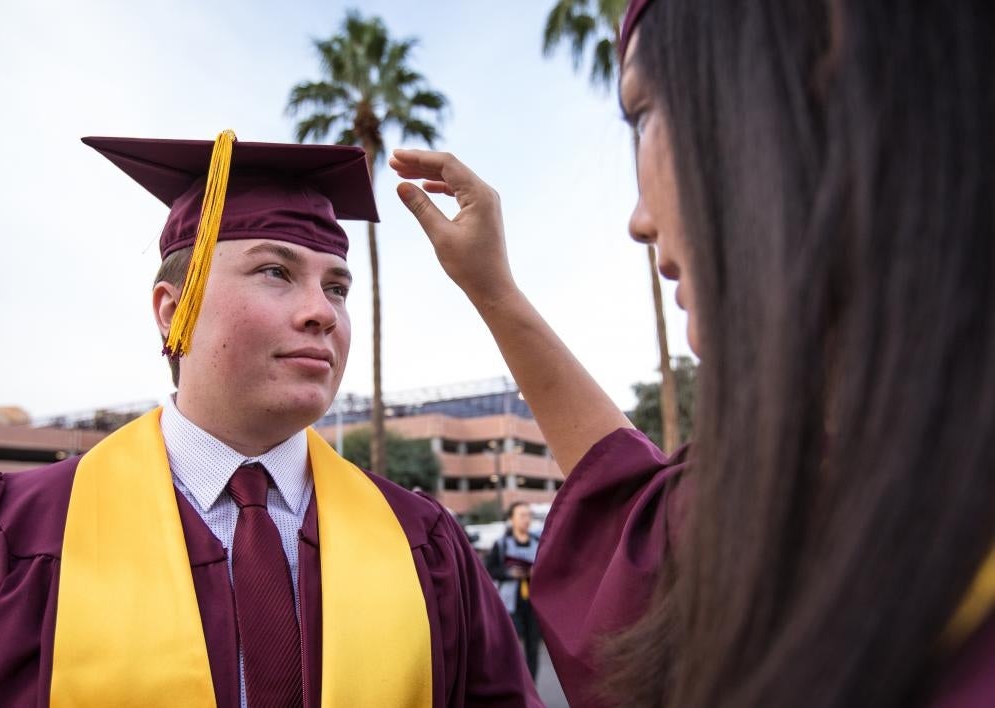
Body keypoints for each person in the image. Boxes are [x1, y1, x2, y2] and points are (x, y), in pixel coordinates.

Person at [390, 0, 995, 705]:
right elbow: (636, 530)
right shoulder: (826, 503)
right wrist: (493, 290)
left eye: (644, 113)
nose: (639, 221)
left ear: (829, 71)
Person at [0, 132, 541, 708]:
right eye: (275, 272)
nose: (321, 313)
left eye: (337, 288)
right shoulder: (6, 537)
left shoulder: (422, 542)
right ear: (174, 312)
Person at [485, 502, 542, 679]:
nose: (526, 519)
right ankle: (515, 686)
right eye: (522, 515)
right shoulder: (502, 544)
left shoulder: (538, 543)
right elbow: (489, 570)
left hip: (534, 605)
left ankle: (532, 690)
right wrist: (508, 574)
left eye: (528, 515)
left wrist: (536, 571)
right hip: (510, 604)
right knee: (512, 648)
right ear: (511, 519)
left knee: (533, 649)